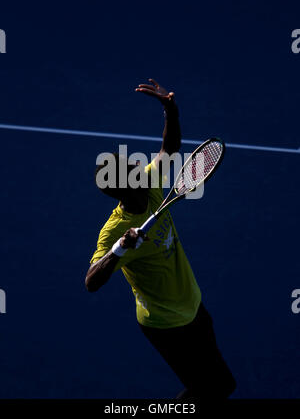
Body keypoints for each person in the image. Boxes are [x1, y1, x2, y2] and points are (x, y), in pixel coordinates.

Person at [85, 79, 236, 399]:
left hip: (192, 304)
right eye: (132, 168)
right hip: (166, 325)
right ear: (127, 187)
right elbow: (91, 281)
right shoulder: (114, 230)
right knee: (211, 388)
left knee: (217, 386)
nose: (140, 164)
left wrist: (170, 109)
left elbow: (170, 148)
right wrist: (119, 250)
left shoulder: (151, 184)